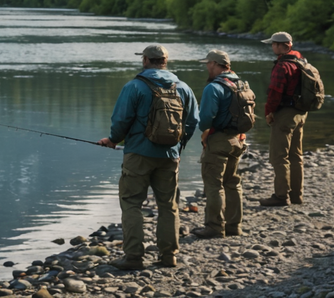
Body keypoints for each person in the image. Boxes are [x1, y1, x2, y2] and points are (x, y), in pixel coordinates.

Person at [97, 45, 198, 270]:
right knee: (168, 205)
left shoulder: (134, 86)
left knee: (132, 203)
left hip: (138, 154)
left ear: (145, 60)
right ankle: (168, 256)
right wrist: (178, 146)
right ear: (165, 61)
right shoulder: (184, 88)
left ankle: (133, 257)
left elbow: (121, 120)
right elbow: (192, 122)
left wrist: (113, 139)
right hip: (170, 155)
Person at [191, 50, 249, 239]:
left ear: (215, 64)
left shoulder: (213, 87)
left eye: (208, 64)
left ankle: (215, 227)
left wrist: (205, 132)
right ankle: (234, 226)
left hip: (219, 141)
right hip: (238, 139)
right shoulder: (242, 84)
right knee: (232, 182)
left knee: (214, 184)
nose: (207, 67)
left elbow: (206, 119)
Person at [260, 32, 305, 207]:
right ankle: (296, 196)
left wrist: (269, 112)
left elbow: (275, 93)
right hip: (300, 112)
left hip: (285, 114)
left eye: (273, 44)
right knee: (296, 156)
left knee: (279, 157)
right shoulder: (300, 60)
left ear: (281, 46)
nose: (272, 47)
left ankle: (281, 196)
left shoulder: (282, 66)